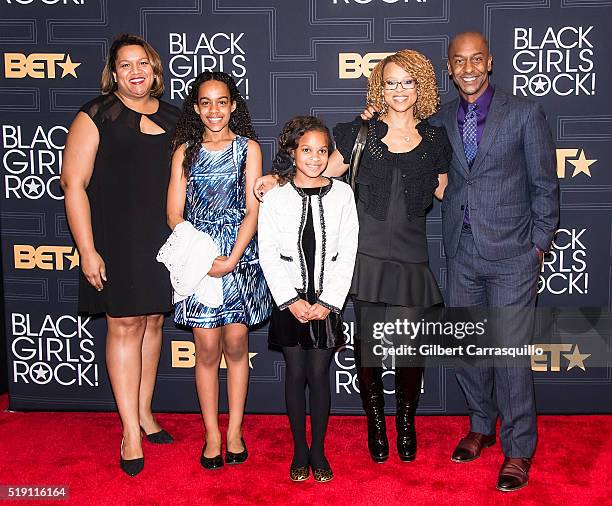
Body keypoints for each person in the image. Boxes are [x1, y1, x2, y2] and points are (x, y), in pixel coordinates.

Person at [255, 50, 452, 463]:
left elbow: (447, 190)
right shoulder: (359, 134)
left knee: (410, 350)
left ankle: (406, 422)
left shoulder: (435, 138)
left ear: (421, 86)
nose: (399, 91)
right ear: (380, 87)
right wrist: (276, 176)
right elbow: (317, 168)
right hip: (369, 257)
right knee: (372, 348)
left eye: (408, 82)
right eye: (391, 82)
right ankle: (376, 421)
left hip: (413, 257)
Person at [431, 32, 558, 492]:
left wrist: (538, 245)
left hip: (512, 256)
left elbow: (545, 184)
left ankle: (518, 449)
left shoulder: (524, 113)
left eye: (476, 59)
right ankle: (481, 425)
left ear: (490, 63)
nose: (467, 68)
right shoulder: (440, 119)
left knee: (508, 355)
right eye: (458, 61)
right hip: (461, 251)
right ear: (449, 68)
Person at [60, 34, 178, 477]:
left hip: (160, 238)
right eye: (125, 65)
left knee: (152, 322)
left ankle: (145, 414)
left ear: (155, 69)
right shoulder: (96, 115)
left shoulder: (174, 116)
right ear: (113, 72)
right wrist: (87, 250)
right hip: (116, 237)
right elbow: (73, 185)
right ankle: (129, 430)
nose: (135, 72)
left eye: (143, 63)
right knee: (125, 324)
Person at [166, 71, 271, 470]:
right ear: (196, 108)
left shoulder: (248, 149)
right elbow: (174, 213)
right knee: (207, 349)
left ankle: (235, 431)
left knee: (237, 346)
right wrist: (201, 253)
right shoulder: (184, 151)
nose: (214, 110)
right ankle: (211, 433)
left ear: (233, 106)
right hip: (198, 255)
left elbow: (253, 210)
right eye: (206, 102)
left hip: (240, 256)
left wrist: (231, 257)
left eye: (222, 102)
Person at [258, 116, 358, 482]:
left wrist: (329, 301)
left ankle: (318, 451)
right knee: (296, 373)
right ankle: (299, 450)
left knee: (319, 374)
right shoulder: (276, 196)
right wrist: (289, 300)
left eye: (322, 151)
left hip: (326, 301)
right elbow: (267, 252)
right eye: (306, 150)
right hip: (290, 301)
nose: (315, 158)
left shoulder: (343, 194)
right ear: (292, 152)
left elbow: (348, 251)